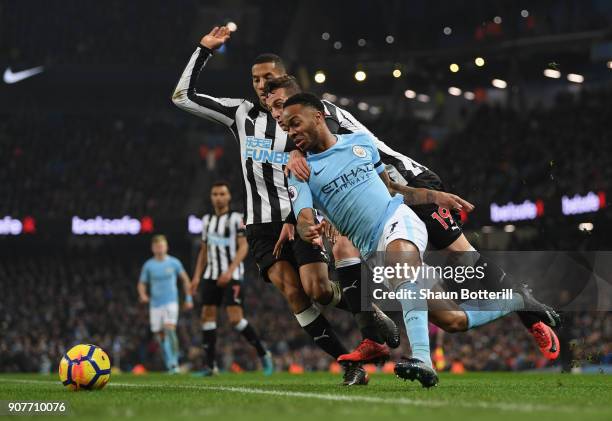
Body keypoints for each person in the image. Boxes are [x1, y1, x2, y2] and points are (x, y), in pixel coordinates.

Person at [265, 76, 560, 362]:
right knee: (444, 314)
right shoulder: (299, 141)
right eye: (272, 109)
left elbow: (313, 135)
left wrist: (434, 196)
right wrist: (301, 216)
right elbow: (304, 181)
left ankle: (526, 313)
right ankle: (373, 336)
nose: (277, 115)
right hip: (374, 199)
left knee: (465, 257)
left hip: (409, 182)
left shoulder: (324, 118)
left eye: (280, 105)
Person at [172, 26, 396, 385]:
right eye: (256, 79)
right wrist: (203, 50)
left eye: (269, 78)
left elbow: (342, 155)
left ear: (285, 78)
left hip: (303, 218)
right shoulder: (240, 115)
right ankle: (350, 365)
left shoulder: (306, 117)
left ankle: (370, 312)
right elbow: (182, 96)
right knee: (295, 295)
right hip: (261, 225)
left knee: (319, 290)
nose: (261, 85)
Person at [191, 181, 273, 376]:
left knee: (235, 319)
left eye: (222, 194)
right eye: (215, 194)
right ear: (211, 197)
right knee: (207, 317)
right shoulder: (206, 220)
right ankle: (211, 367)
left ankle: (264, 353)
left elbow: (243, 246)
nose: (218, 197)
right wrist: (196, 277)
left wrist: (229, 271)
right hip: (210, 274)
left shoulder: (237, 219)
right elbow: (204, 251)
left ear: (228, 197)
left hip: (232, 275)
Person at [137, 235, 193, 373]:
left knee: (170, 329)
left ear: (166, 247)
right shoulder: (149, 265)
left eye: (162, 246)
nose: (159, 248)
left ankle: (174, 363)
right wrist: (143, 295)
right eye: (157, 246)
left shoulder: (174, 263)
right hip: (155, 304)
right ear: (152, 248)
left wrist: (189, 298)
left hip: (171, 302)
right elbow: (141, 283)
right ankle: (169, 362)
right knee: (160, 336)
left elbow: (185, 280)